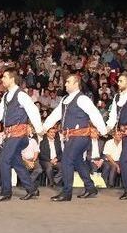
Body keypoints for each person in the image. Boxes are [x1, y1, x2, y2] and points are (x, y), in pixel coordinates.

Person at [41, 73, 108, 201]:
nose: (65, 84)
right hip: (71, 137)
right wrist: (44, 127)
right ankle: (90, 187)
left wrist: (103, 129)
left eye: (68, 82)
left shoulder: (82, 99)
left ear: (76, 84)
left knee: (66, 161)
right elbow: (55, 115)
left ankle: (66, 192)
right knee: (78, 161)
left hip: (79, 136)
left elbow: (94, 113)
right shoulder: (66, 99)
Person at [0, 68, 44, 201]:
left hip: (19, 134)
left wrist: (39, 129)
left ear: (12, 79)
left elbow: (33, 110)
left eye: (4, 77)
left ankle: (6, 192)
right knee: (16, 162)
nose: (2, 79)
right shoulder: (6, 96)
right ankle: (32, 189)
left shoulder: (21, 95)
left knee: (4, 160)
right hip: (12, 135)